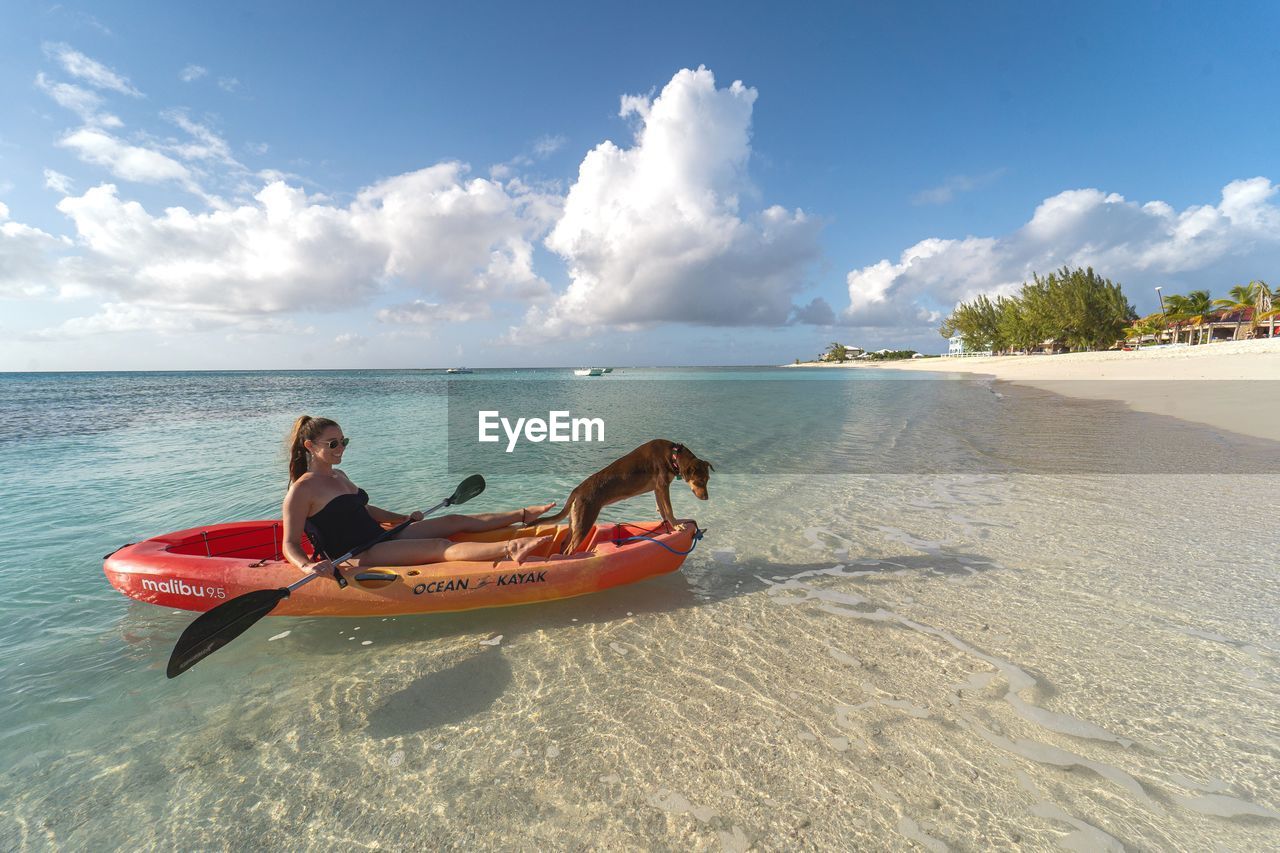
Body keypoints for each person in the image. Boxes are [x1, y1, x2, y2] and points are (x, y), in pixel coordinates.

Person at [281, 415, 554, 579]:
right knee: (439, 545)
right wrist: (307, 566)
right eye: (333, 444)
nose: (341, 448)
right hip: (360, 553)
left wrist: (401, 519)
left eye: (344, 441)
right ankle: (510, 548)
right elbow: (290, 543)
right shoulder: (302, 490)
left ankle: (523, 515)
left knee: (452, 519)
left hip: (379, 534)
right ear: (310, 446)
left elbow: (363, 509)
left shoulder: (338, 476)